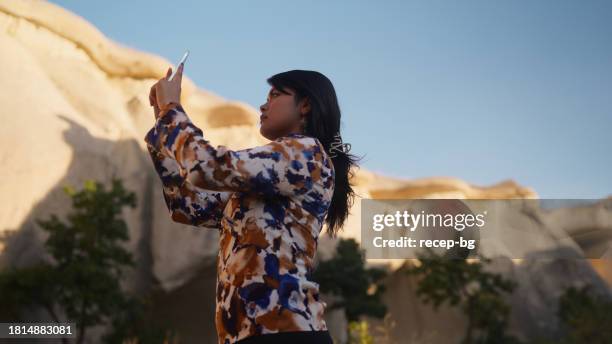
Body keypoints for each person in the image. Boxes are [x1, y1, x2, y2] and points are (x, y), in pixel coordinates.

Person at [145, 64, 360, 344]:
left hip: (287, 333)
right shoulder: (266, 183)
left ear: (305, 105)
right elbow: (187, 205)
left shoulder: (305, 153)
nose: (263, 105)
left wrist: (171, 108)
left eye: (274, 95)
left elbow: (206, 166)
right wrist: (162, 117)